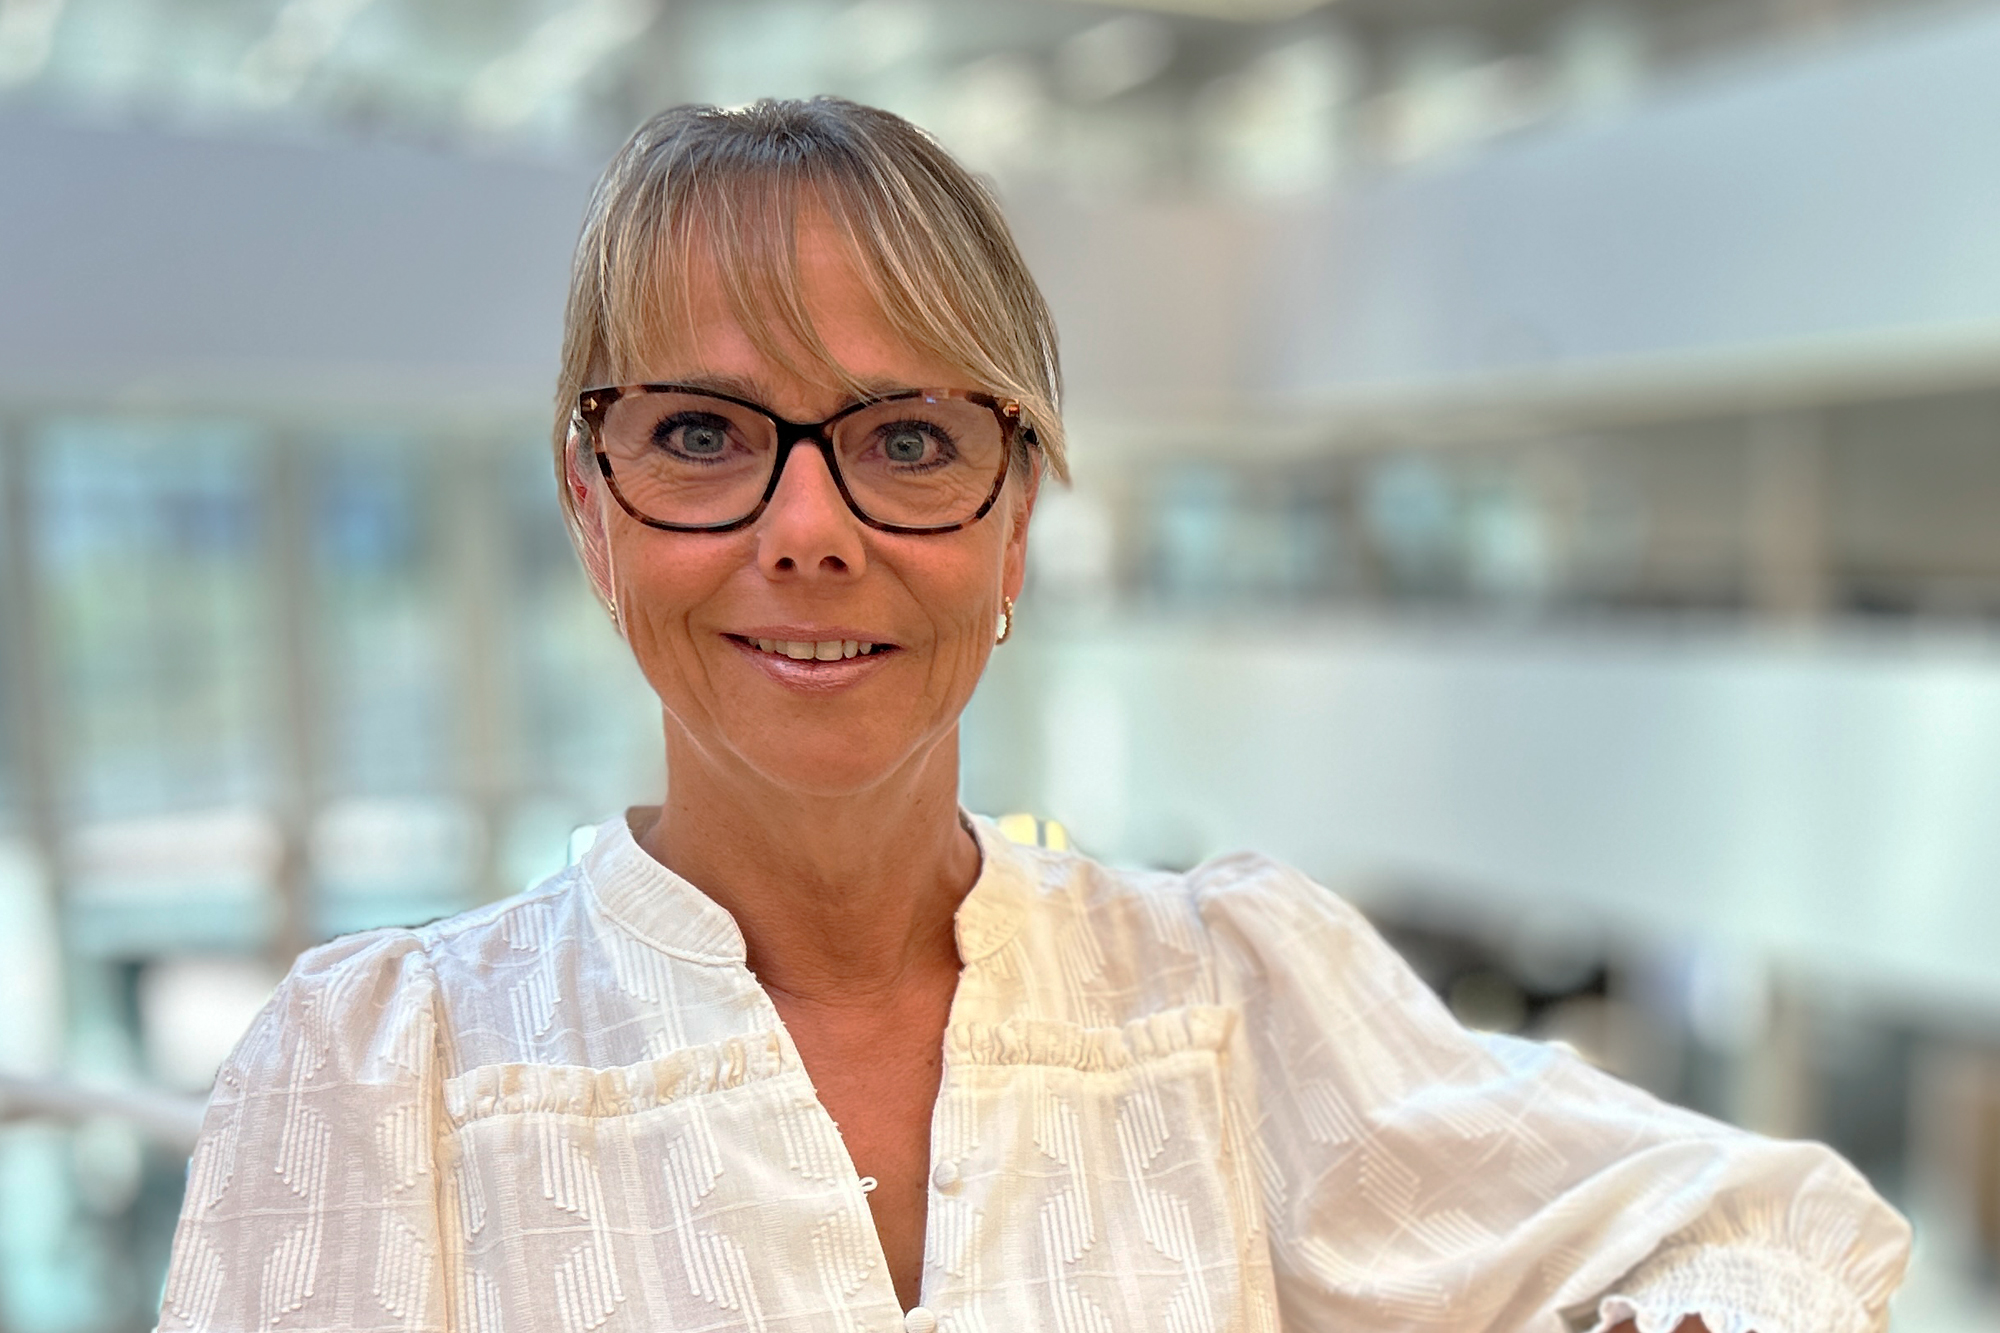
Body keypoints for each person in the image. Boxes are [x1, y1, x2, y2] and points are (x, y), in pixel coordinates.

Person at [157, 97, 1907, 1333]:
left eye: (909, 438)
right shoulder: (386, 1079)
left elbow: (1768, 1231)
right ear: (590, 507)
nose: (809, 526)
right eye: (702, 433)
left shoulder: (1224, 1000)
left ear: (1014, 521)